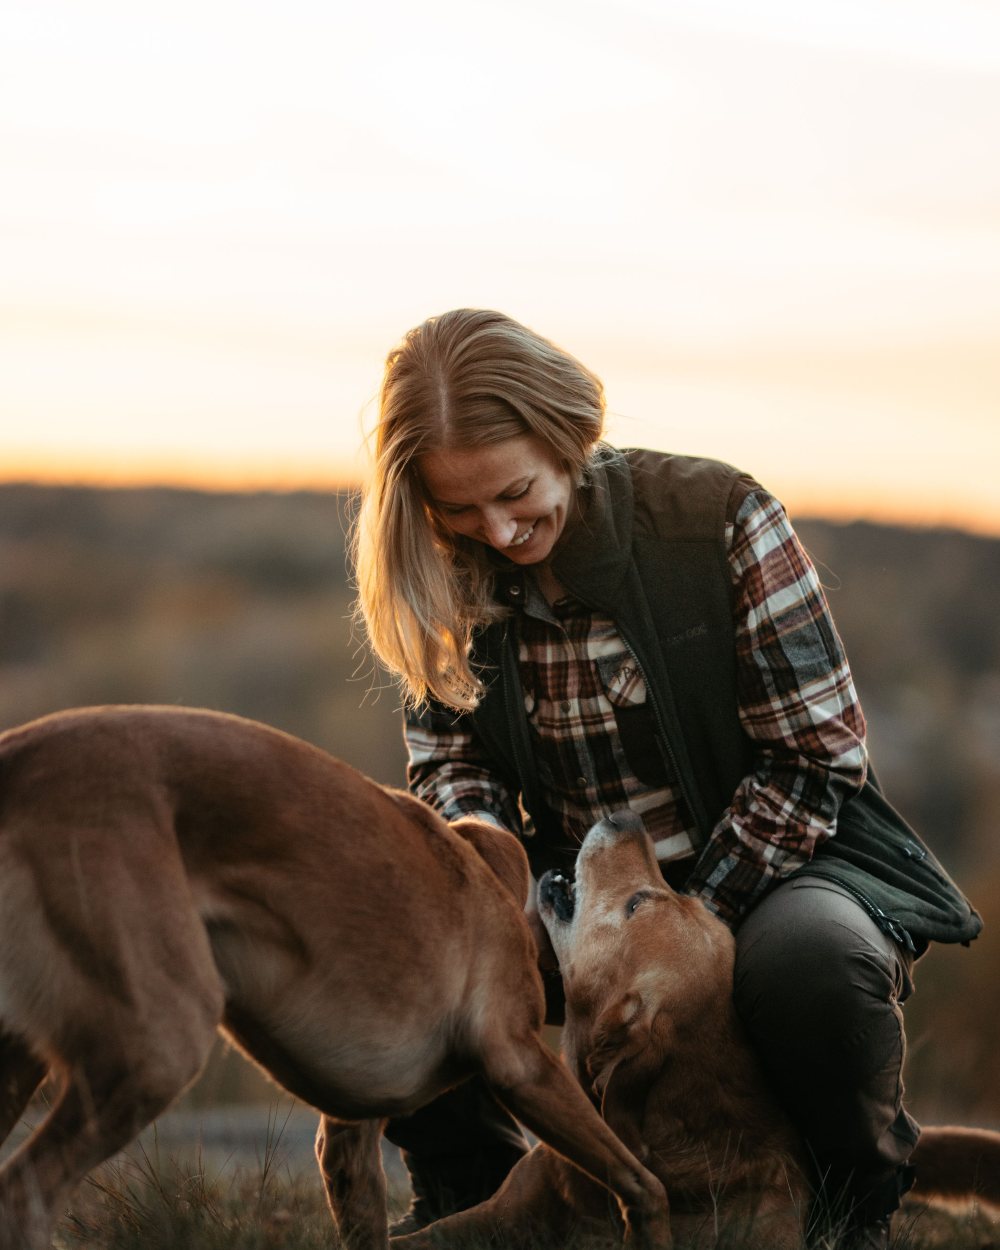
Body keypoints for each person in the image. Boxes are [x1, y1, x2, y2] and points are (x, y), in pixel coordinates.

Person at [351, 308, 981, 1250]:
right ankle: (465, 1200)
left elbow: (817, 757)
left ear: (566, 434)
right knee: (406, 943)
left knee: (813, 964)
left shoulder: (717, 518)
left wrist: (682, 932)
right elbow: (452, 761)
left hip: (780, 868)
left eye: (516, 492)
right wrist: (495, 882)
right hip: (586, 892)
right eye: (461, 510)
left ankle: (852, 1208)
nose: (499, 528)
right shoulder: (443, 571)